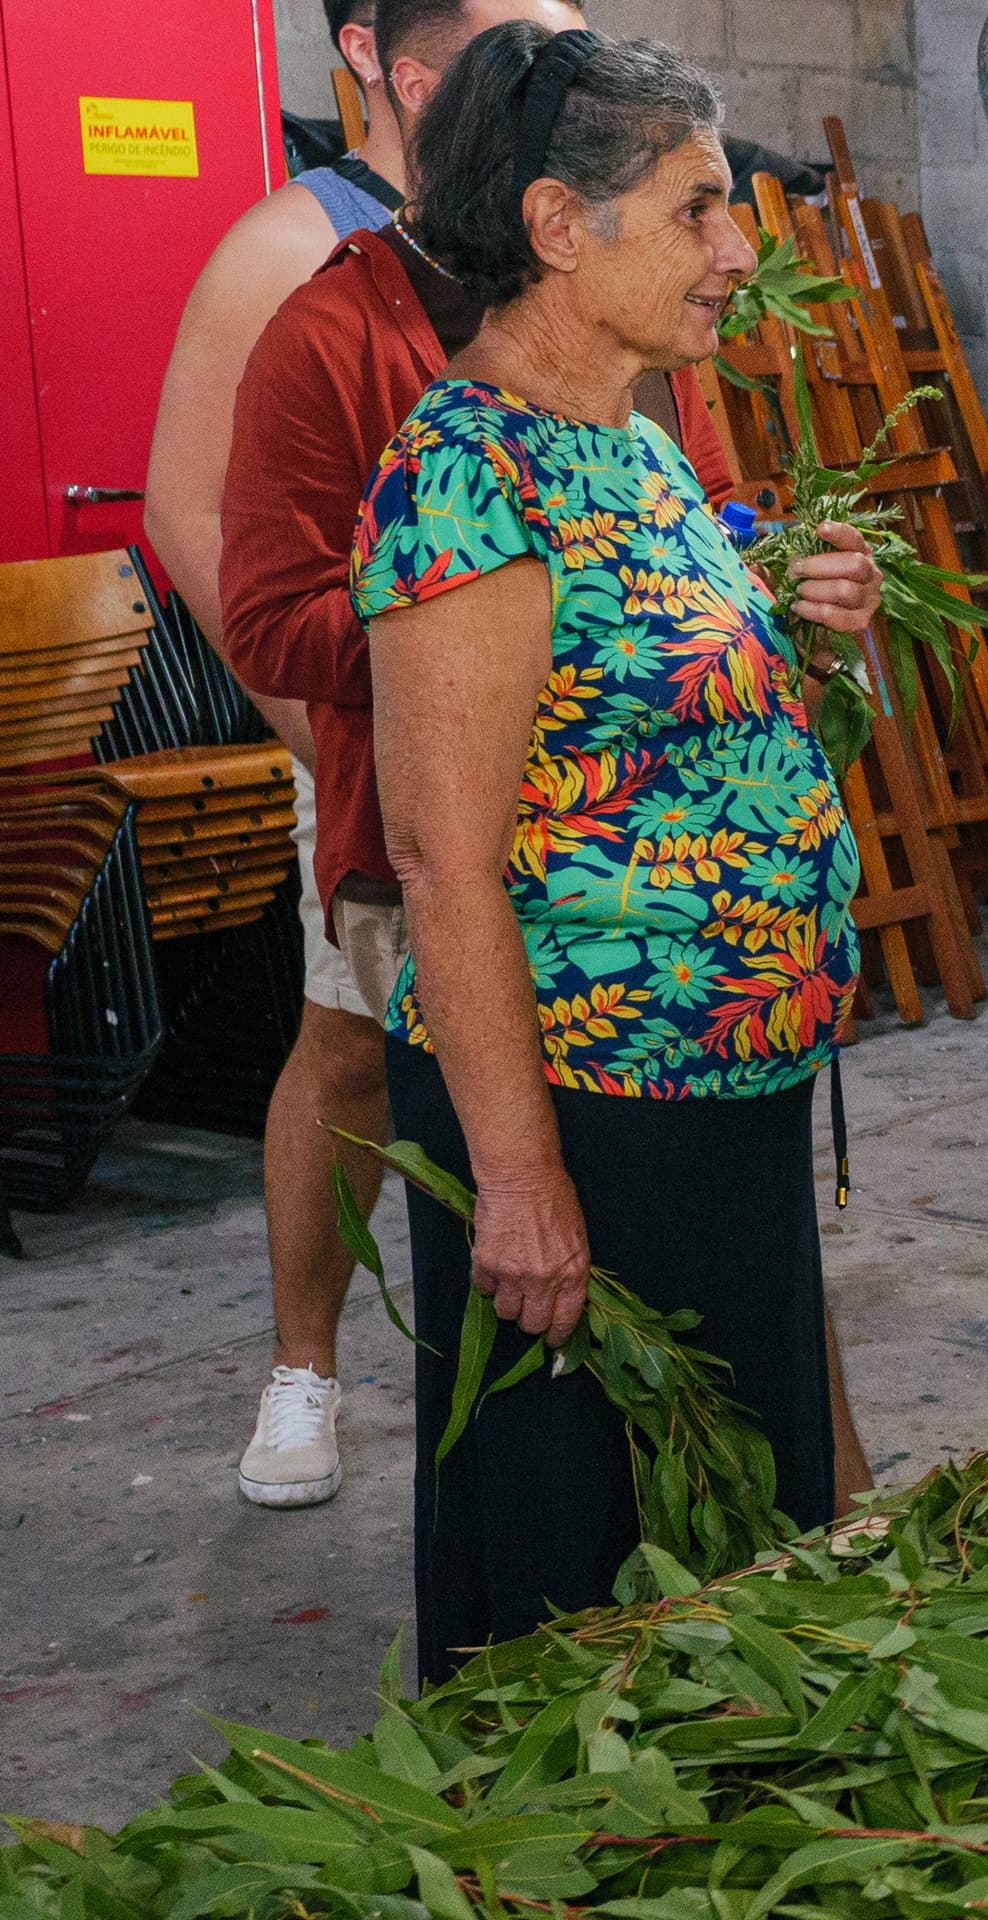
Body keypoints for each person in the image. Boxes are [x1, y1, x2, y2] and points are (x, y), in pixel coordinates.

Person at [353, 25, 889, 1672]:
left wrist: (819, 647)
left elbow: (658, 743)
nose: (738, 252)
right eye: (699, 210)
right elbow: (445, 863)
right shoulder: (466, 476)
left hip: (717, 1104)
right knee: (587, 1581)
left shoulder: (638, 443)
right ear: (558, 227)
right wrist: (517, 1182)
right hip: (591, 1118)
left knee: (726, 1575)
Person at [144, 0, 579, 1510]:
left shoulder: (566, 245)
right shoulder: (295, 256)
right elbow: (192, 514)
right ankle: (305, 1369)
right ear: (398, 70)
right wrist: (332, 733)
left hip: (580, 792)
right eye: (530, 43)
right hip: (372, 750)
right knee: (356, 1053)